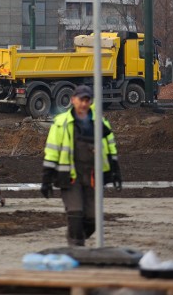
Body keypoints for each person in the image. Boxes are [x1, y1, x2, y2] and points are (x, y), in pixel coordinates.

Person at [41, 84, 122, 246]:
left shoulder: (99, 123)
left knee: (92, 220)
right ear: (73, 100)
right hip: (70, 178)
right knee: (76, 216)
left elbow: (110, 147)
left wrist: (115, 170)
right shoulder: (60, 123)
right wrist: (46, 179)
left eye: (87, 100)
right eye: (81, 100)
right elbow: (52, 151)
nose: (83, 104)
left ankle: (76, 240)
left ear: (90, 102)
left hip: (93, 177)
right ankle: (76, 248)